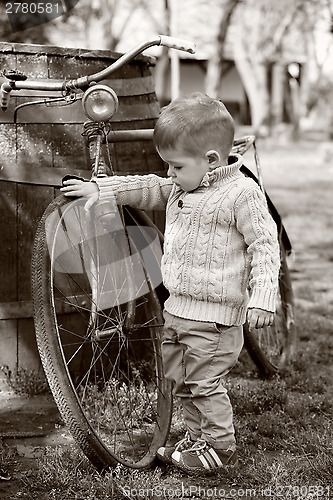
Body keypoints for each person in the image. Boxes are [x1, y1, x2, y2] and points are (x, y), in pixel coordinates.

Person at [60, 92, 280, 475]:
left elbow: (264, 244)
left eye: (176, 167)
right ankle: (198, 440)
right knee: (180, 381)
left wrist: (262, 296)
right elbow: (147, 187)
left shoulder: (241, 194)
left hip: (215, 320)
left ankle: (219, 445)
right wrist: (103, 189)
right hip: (177, 311)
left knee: (205, 383)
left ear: (211, 160)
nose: (169, 175)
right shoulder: (182, 186)